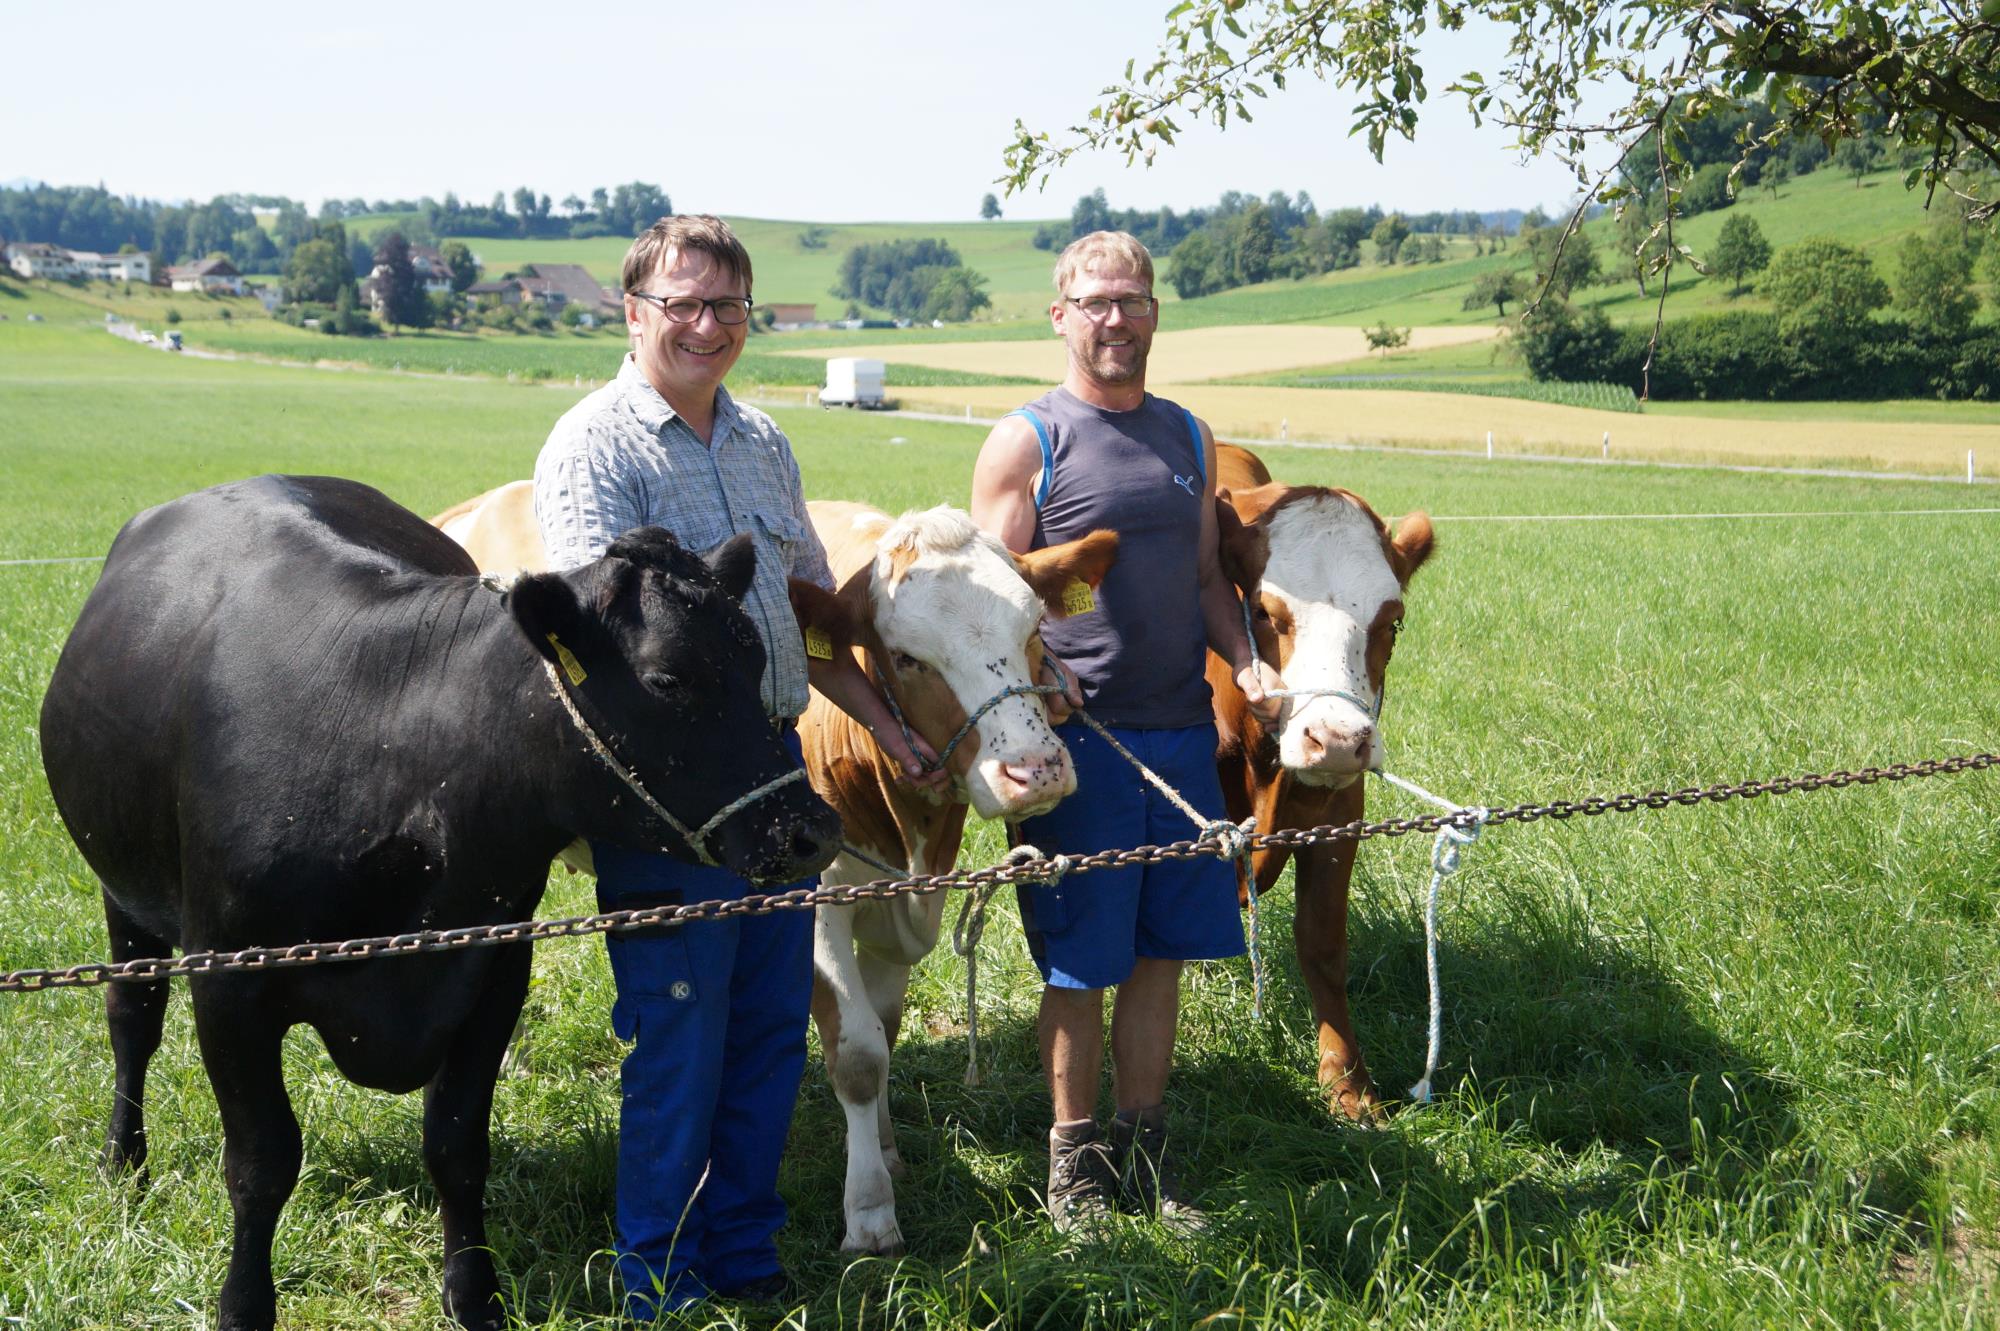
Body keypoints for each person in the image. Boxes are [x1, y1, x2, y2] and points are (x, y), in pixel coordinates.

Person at [533, 214, 942, 1317]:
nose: (707, 325)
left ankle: (745, 1254)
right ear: (634, 312)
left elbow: (805, 609)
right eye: (684, 304)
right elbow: (601, 655)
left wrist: (889, 703)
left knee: (767, 1027)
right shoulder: (594, 447)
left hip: (772, 769)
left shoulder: (762, 440)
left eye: (728, 307)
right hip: (669, 795)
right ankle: (657, 1279)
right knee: (679, 1033)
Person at [969, 230, 1283, 1229]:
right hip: (1079, 752)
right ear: (1060, 316)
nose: (1116, 318)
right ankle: (1072, 1171)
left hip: (1182, 738)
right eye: (1095, 301)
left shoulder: (1188, 437)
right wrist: (1038, 691)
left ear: (1154, 312)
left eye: (1132, 299)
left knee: (1159, 958)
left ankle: (1148, 1156)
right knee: (1078, 967)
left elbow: (1202, 584)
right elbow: (989, 602)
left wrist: (1249, 663)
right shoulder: (1028, 441)